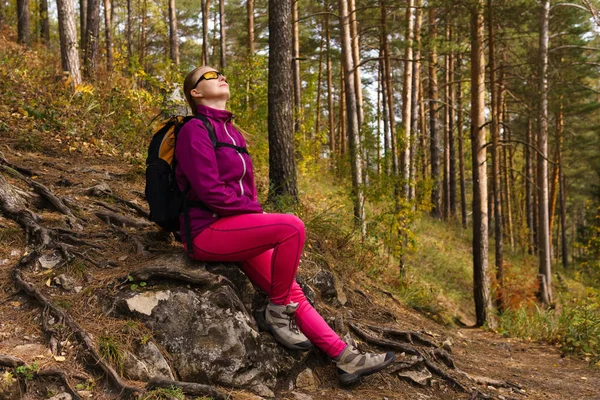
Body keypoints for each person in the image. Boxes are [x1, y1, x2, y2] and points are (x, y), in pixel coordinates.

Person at [175, 65, 396, 385]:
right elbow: (210, 192)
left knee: (291, 290)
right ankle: (276, 312)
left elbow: (246, 190)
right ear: (196, 93)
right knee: (291, 227)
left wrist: (254, 216)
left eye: (221, 72)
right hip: (205, 232)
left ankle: (345, 358)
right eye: (210, 76)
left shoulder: (233, 132)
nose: (221, 76)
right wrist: (257, 215)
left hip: (236, 228)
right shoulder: (194, 129)